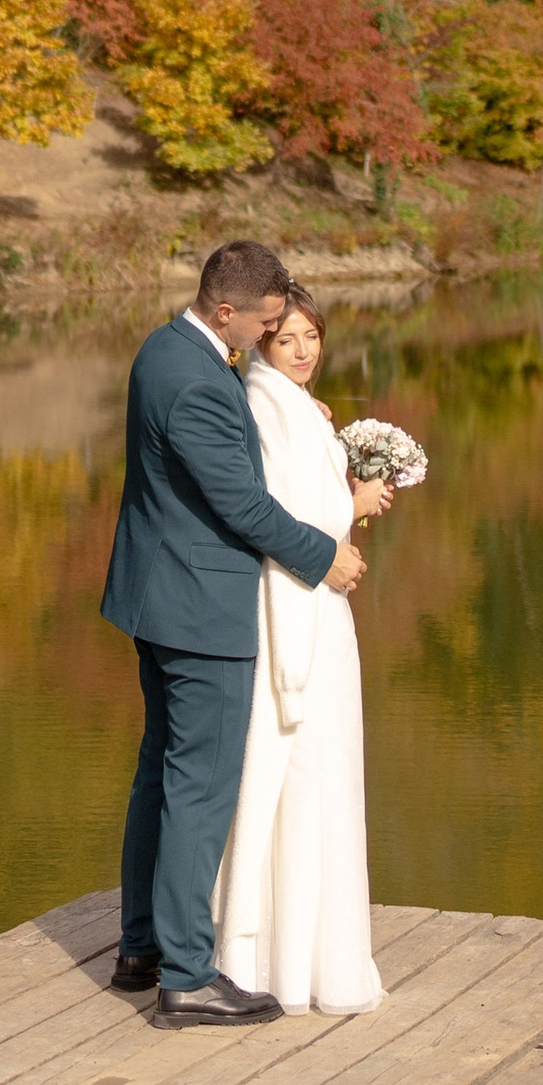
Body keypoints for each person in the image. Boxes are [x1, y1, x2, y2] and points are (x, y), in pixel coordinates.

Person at [100, 238, 366, 1025]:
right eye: (265, 321)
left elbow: (223, 457)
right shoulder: (196, 385)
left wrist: (291, 408)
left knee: (160, 775)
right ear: (227, 311)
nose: (271, 332)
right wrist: (325, 559)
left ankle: (140, 947)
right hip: (198, 611)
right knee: (199, 788)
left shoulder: (169, 349)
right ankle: (186, 975)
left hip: (155, 598)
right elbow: (243, 508)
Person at [214, 292, 397, 1012]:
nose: (301, 350)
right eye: (286, 337)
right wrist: (349, 507)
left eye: (311, 335)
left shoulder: (294, 405)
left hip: (321, 606)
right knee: (296, 771)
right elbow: (272, 511)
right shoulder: (263, 406)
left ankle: (315, 954)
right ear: (259, 340)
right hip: (296, 605)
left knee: (324, 774)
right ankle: (275, 961)